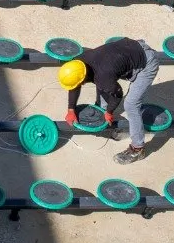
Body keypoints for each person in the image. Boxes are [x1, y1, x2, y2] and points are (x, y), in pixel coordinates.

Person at [58, 36, 160, 164]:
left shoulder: (103, 76)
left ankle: (137, 149)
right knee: (103, 84)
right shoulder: (78, 62)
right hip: (130, 49)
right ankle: (103, 112)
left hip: (147, 63)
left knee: (131, 105)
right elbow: (75, 84)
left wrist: (109, 112)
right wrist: (71, 109)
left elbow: (117, 93)